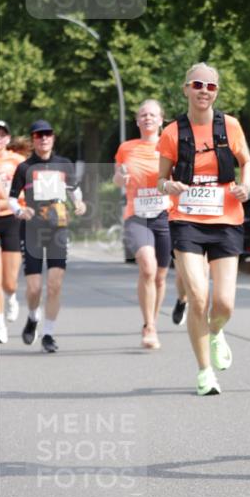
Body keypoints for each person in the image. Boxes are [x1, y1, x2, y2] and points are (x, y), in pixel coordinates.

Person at [157, 63, 250, 395]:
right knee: (198, 296)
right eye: (198, 84)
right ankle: (204, 372)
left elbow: (248, 162)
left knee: (224, 303)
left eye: (211, 86)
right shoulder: (172, 132)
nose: (204, 91)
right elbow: (160, 179)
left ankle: (216, 331)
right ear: (185, 88)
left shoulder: (230, 126)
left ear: (216, 92)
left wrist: (246, 186)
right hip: (186, 219)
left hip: (226, 219)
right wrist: (167, 187)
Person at [9, 120, 86, 352]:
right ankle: (33, 317)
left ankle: (48, 334)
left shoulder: (64, 164)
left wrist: (79, 202)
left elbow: (73, 189)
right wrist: (20, 211)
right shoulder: (24, 168)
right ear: (33, 139)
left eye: (48, 134)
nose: (44, 138)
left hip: (58, 230)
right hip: (31, 230)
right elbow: (12, 198)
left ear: (53, 138)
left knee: (54, 285)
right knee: (34, 288)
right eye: (39, 135)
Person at [114, 100, 171, 349]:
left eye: (152, 114)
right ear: (137, 121)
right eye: (143, 115)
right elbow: (117, 178)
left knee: (160, 276)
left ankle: (154, 322)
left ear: (161, 120)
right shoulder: (126, 148)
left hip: (165, 214)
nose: (147, 118)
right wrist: (121, 177)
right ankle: (148, 326)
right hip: (136, 215)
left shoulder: (170, 146)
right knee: (148, 267)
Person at [0, 120, 25, 342]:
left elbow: (22, 197)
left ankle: (12, 297)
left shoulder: (17, 161)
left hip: (13, 221)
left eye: (2, 134)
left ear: (8, 138)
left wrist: (5, 200)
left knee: (9, 282)